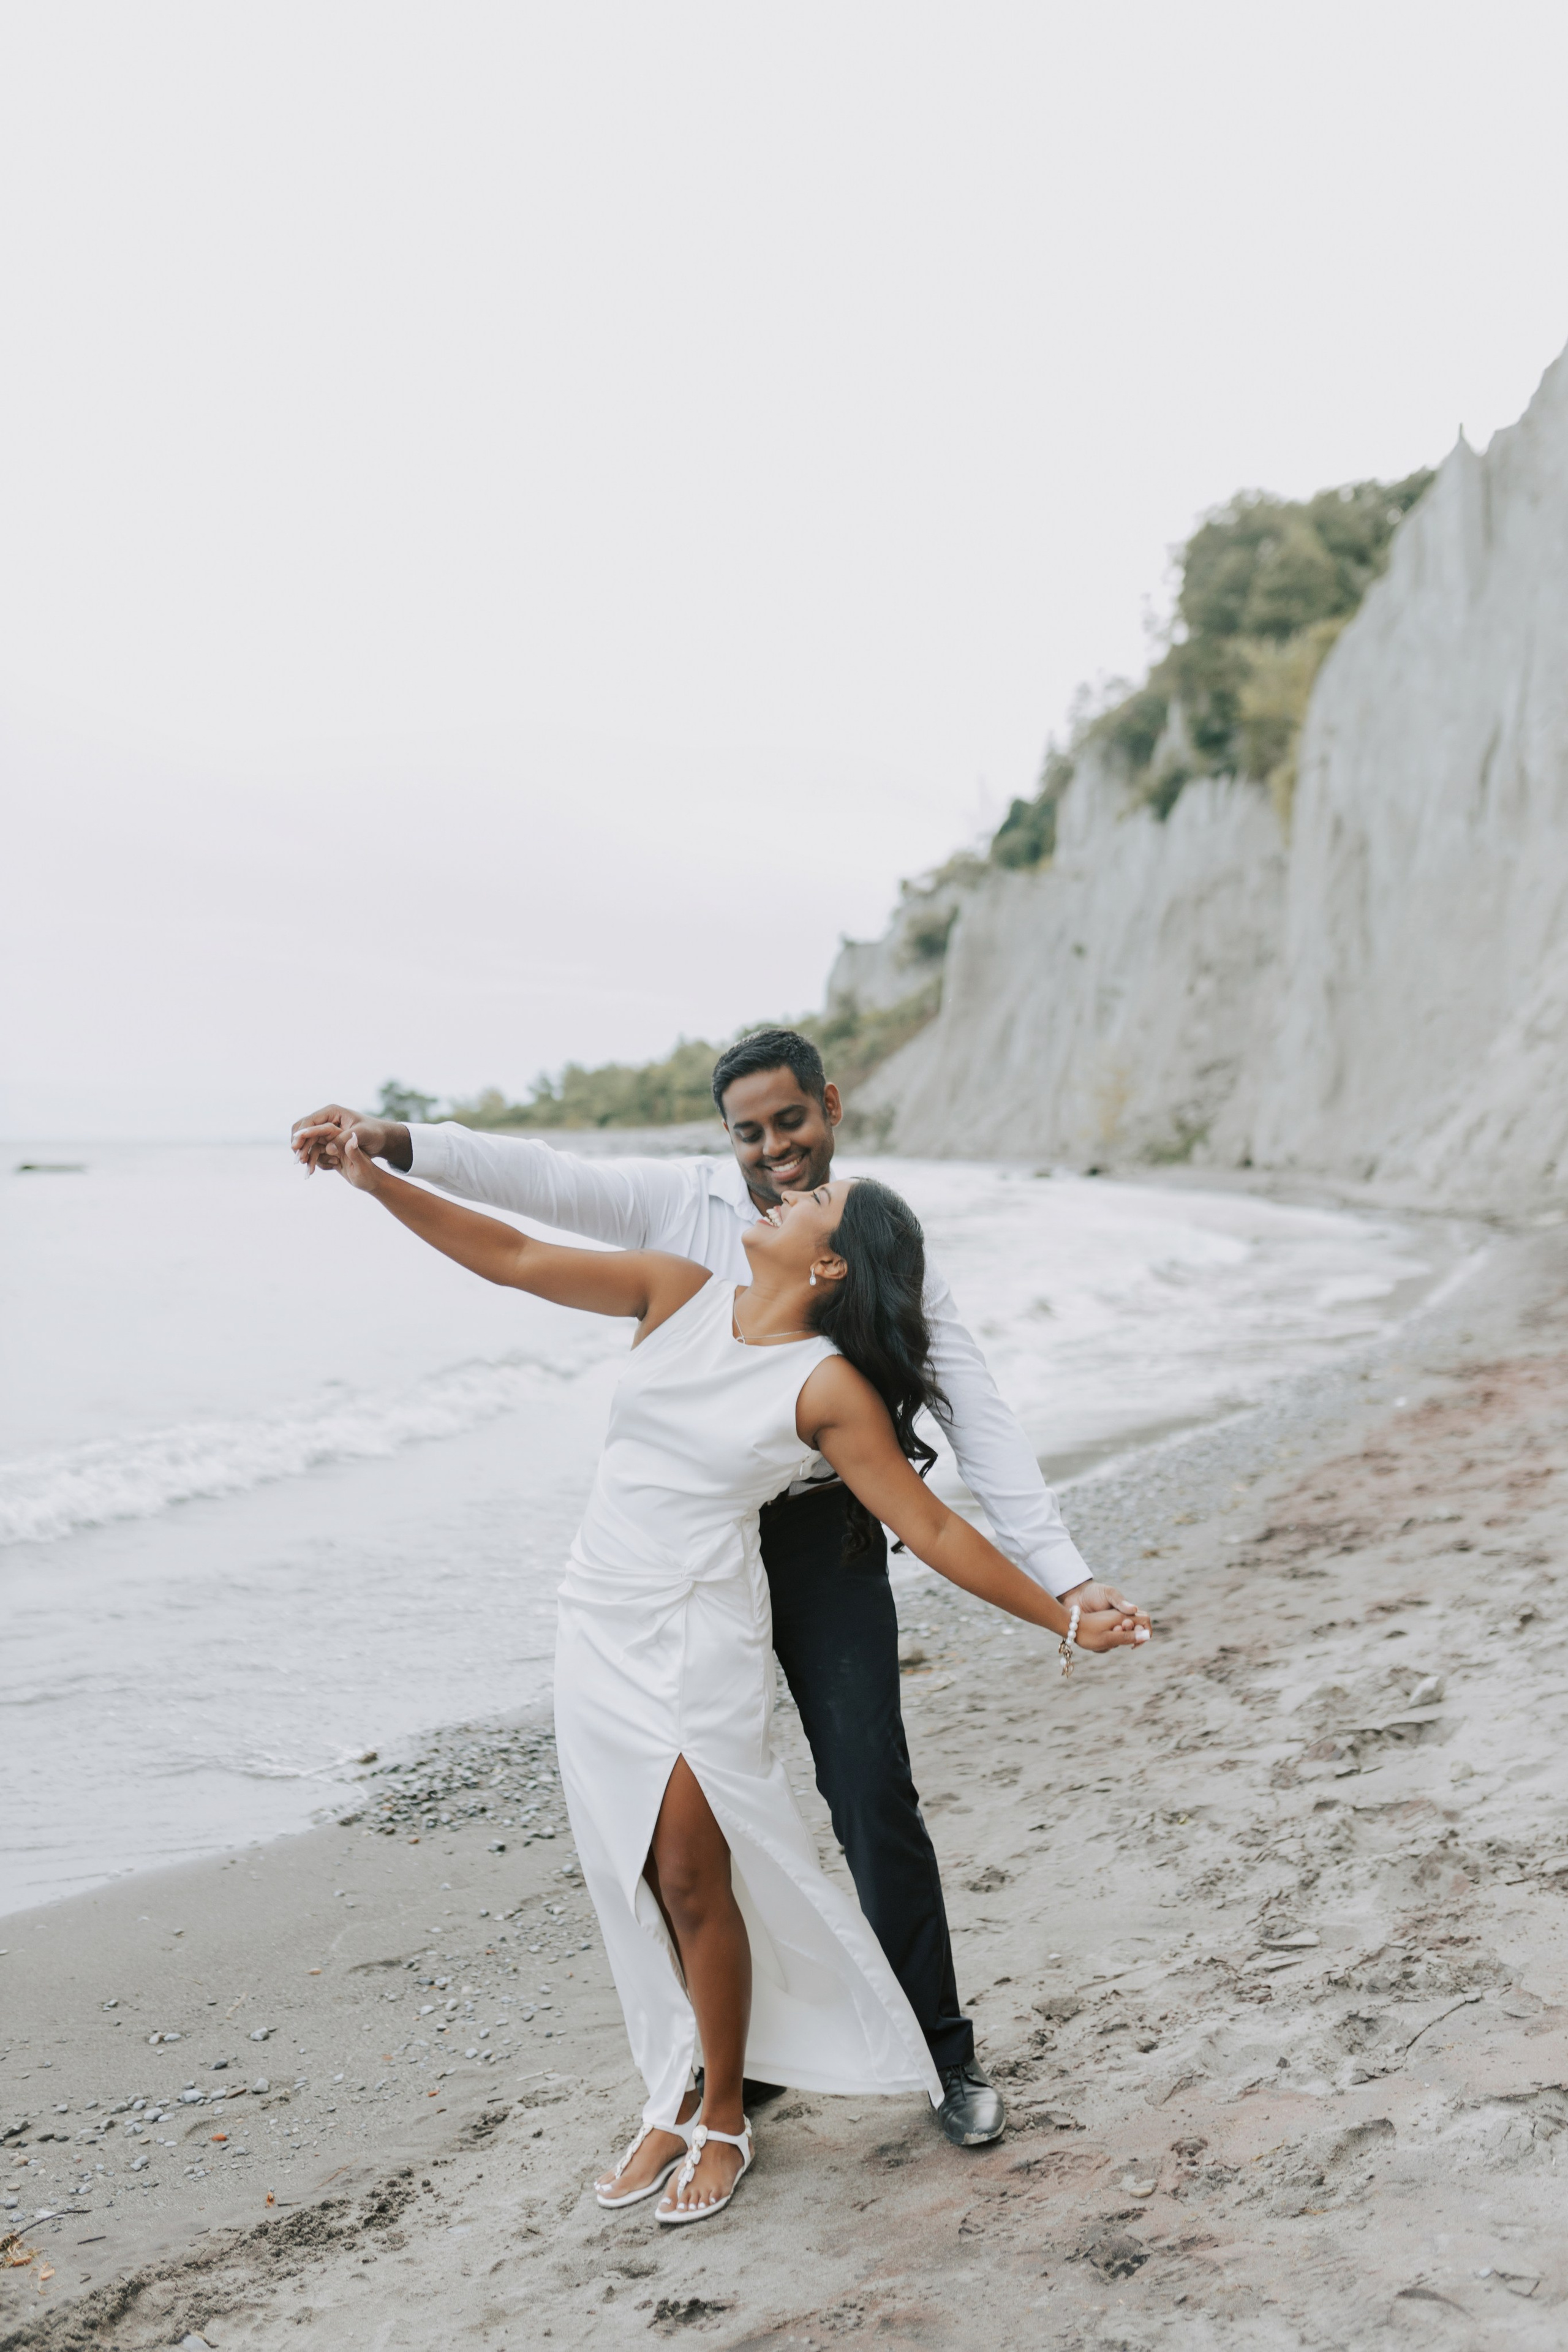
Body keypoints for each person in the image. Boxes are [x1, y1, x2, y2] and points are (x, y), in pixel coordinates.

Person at [292, 1030, 1142, 2147]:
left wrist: (1067, 1589)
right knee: (690, 1826)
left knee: (868, 1791)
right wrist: (391, 1148)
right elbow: (534, 1200)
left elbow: (968, 1433)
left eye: (792, 1123)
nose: (777, 1151)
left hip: (827, 1533)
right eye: (752, 1131)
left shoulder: (868, 1251)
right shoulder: (683, 1225)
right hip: (689, 1563)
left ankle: (941, 2054)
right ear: (727, 1134)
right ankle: (751, 2059)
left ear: (828, 1107)